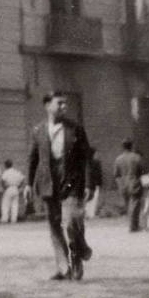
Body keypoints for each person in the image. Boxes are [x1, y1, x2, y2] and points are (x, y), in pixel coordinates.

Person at [27, 90, 94, 281]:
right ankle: (64, 268)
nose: (64, 107)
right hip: (49, 183)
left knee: (72, 221)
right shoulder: (38, 130)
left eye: (65, 103)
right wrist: (28, 183)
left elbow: (86, 158)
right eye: (60, 103)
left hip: (72, 182)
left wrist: (89, 183)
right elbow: (33, 158)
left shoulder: (76, 129)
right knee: (55, 226)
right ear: (48, 106)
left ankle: (78, 252)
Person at [112, 139, 144, 232]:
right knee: (134, 205)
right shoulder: (137, 157)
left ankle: (132, 224)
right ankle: (134, 226)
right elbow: (142, 170)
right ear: (132, 146)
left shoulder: (118, 159)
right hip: (134, 182)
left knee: (128, 205)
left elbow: (116, 174)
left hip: (123, 184)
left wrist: (120, 183)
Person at [85, 148, 104, 218]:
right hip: (94, 183)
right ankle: (91, 213)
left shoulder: (83, 162)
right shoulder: (96, 162)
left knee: (86, 198)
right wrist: (100, 183)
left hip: (85, 184)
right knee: (93, 198)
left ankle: (86, 213)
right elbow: (99, 174)